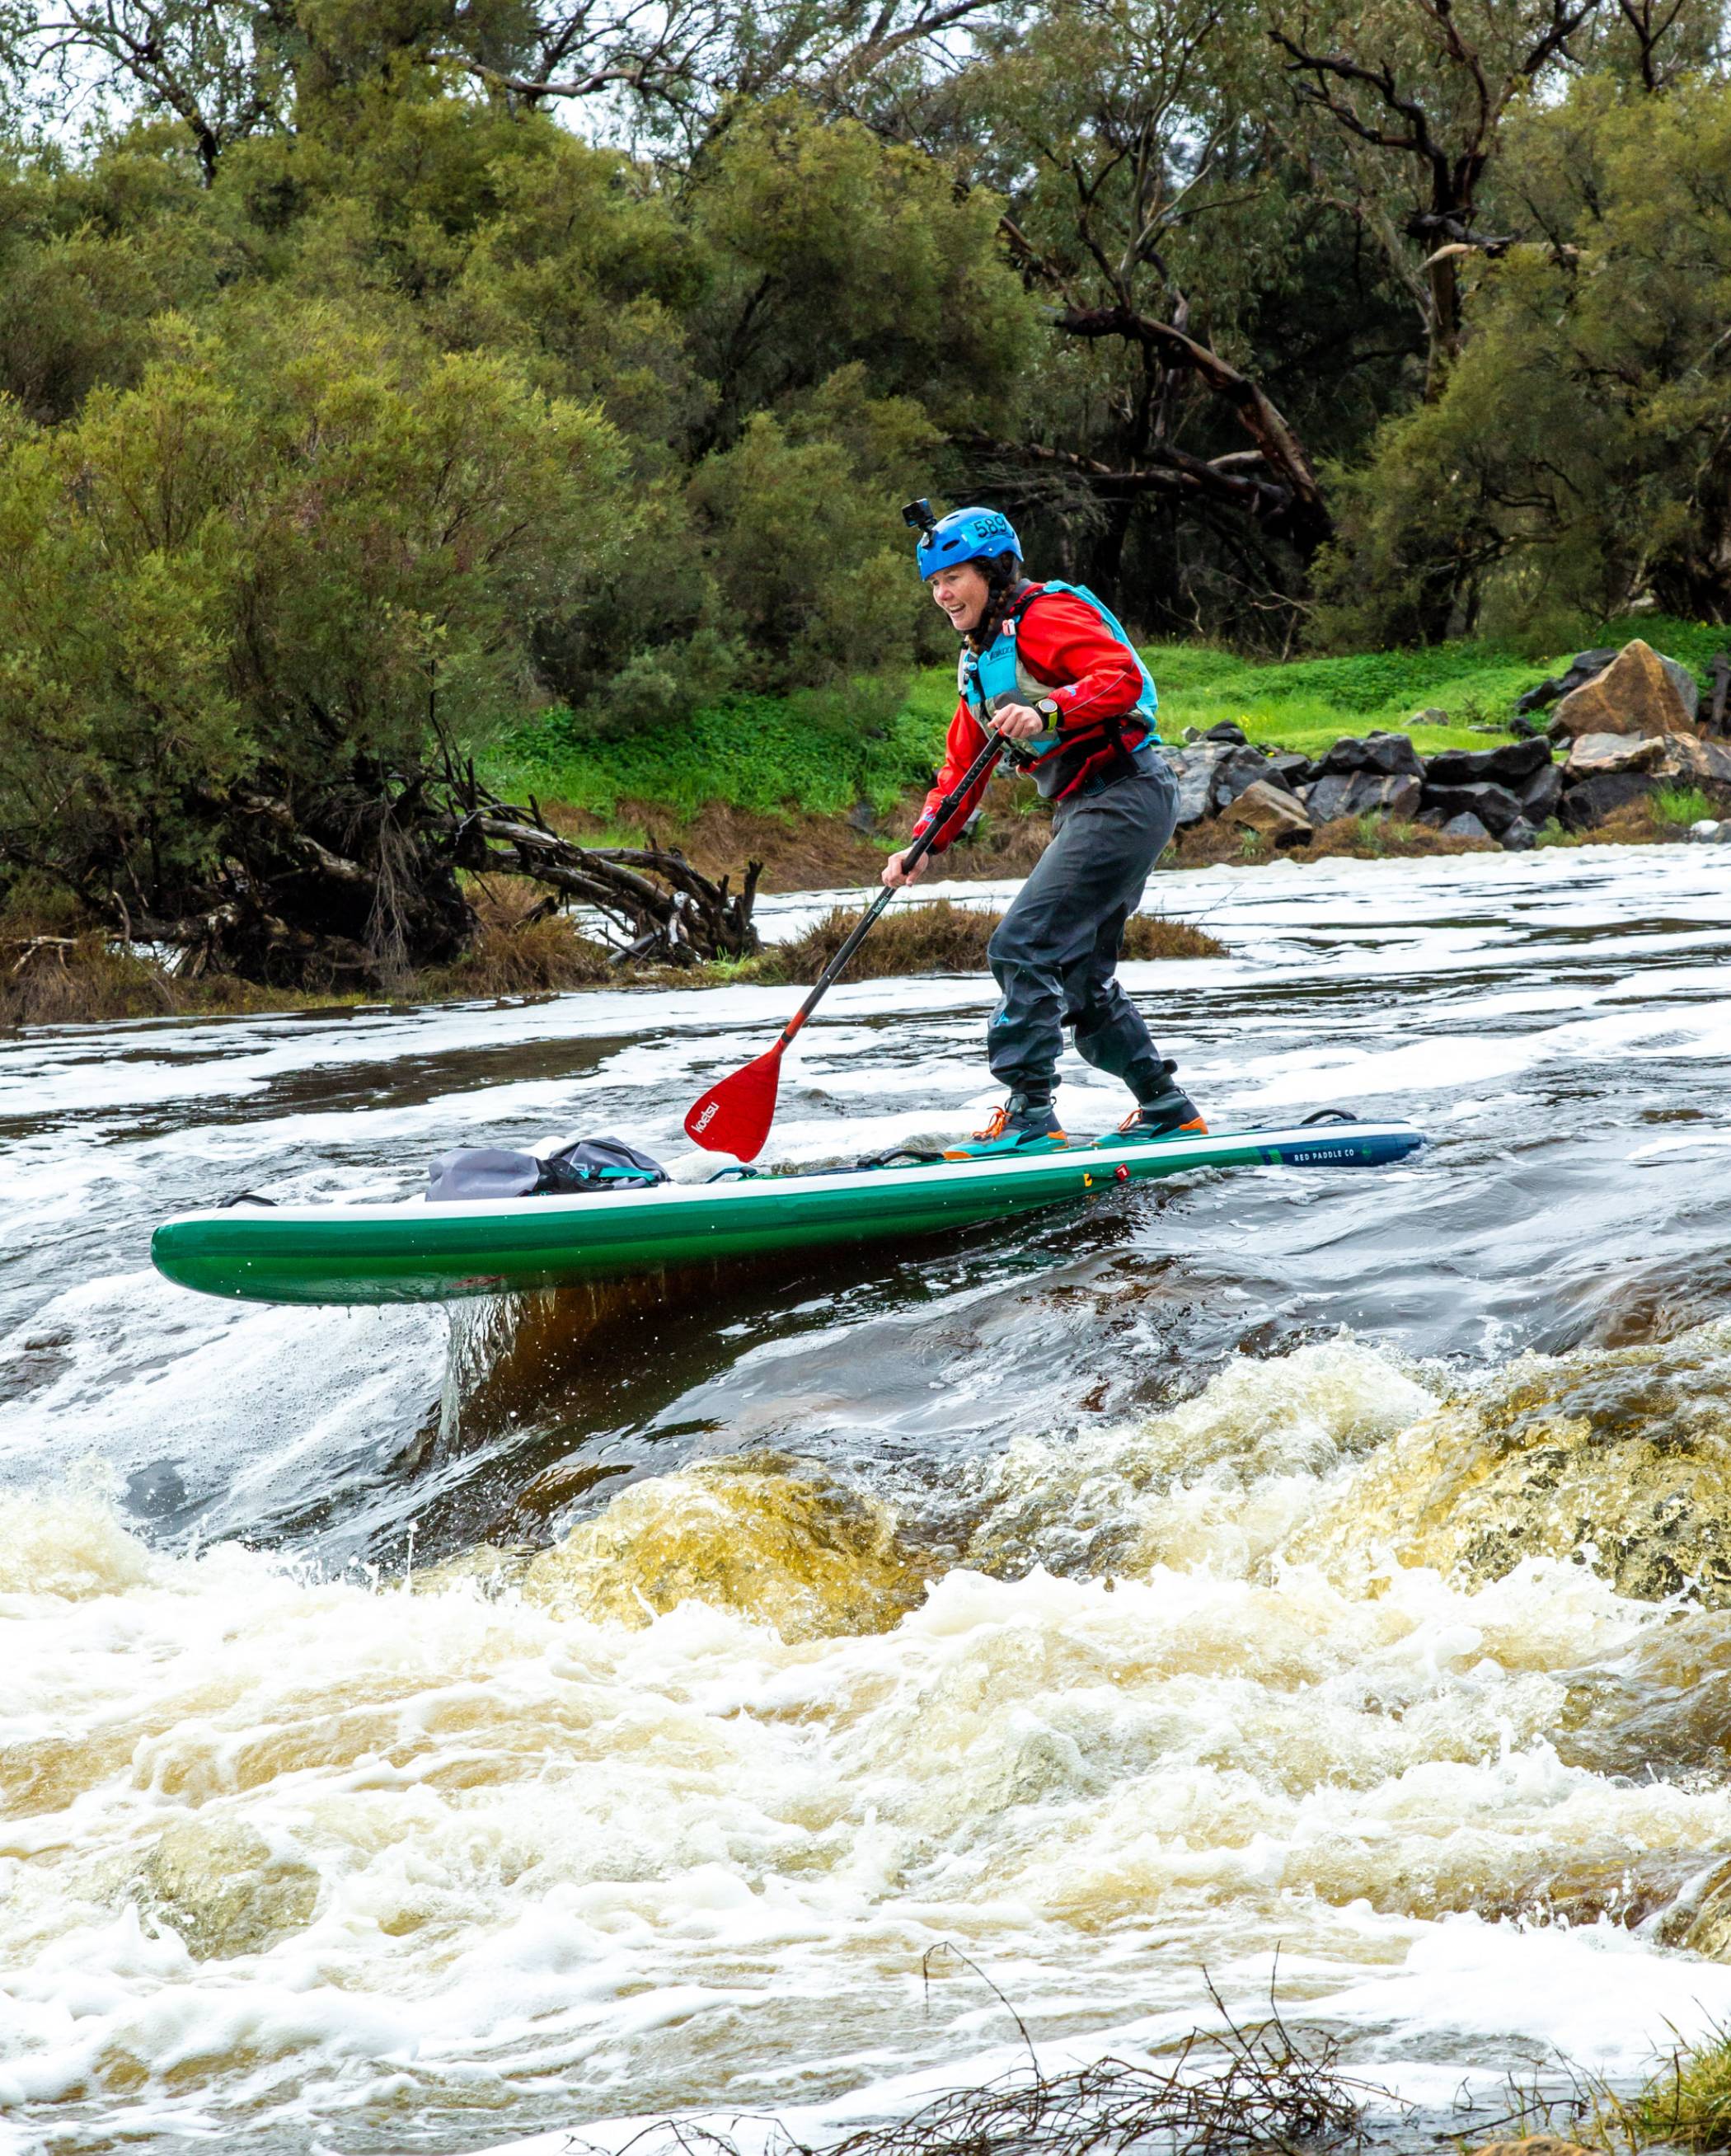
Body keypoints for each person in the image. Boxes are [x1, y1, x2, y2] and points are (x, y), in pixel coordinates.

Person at [884, 503, 1206, 1156]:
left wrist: (1048, 710)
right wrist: (923, 844)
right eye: (934, 584)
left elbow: (1118, 677)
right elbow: (960, 770)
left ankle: (1031, 1116)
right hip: (1096, 805)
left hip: (1124, 791)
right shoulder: (979, 661)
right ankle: (1168, 1109)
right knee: (1083, 980)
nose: (943, 595)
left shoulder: (1046, 616)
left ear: (996, 570)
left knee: (1021, 946)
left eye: (955, 577)